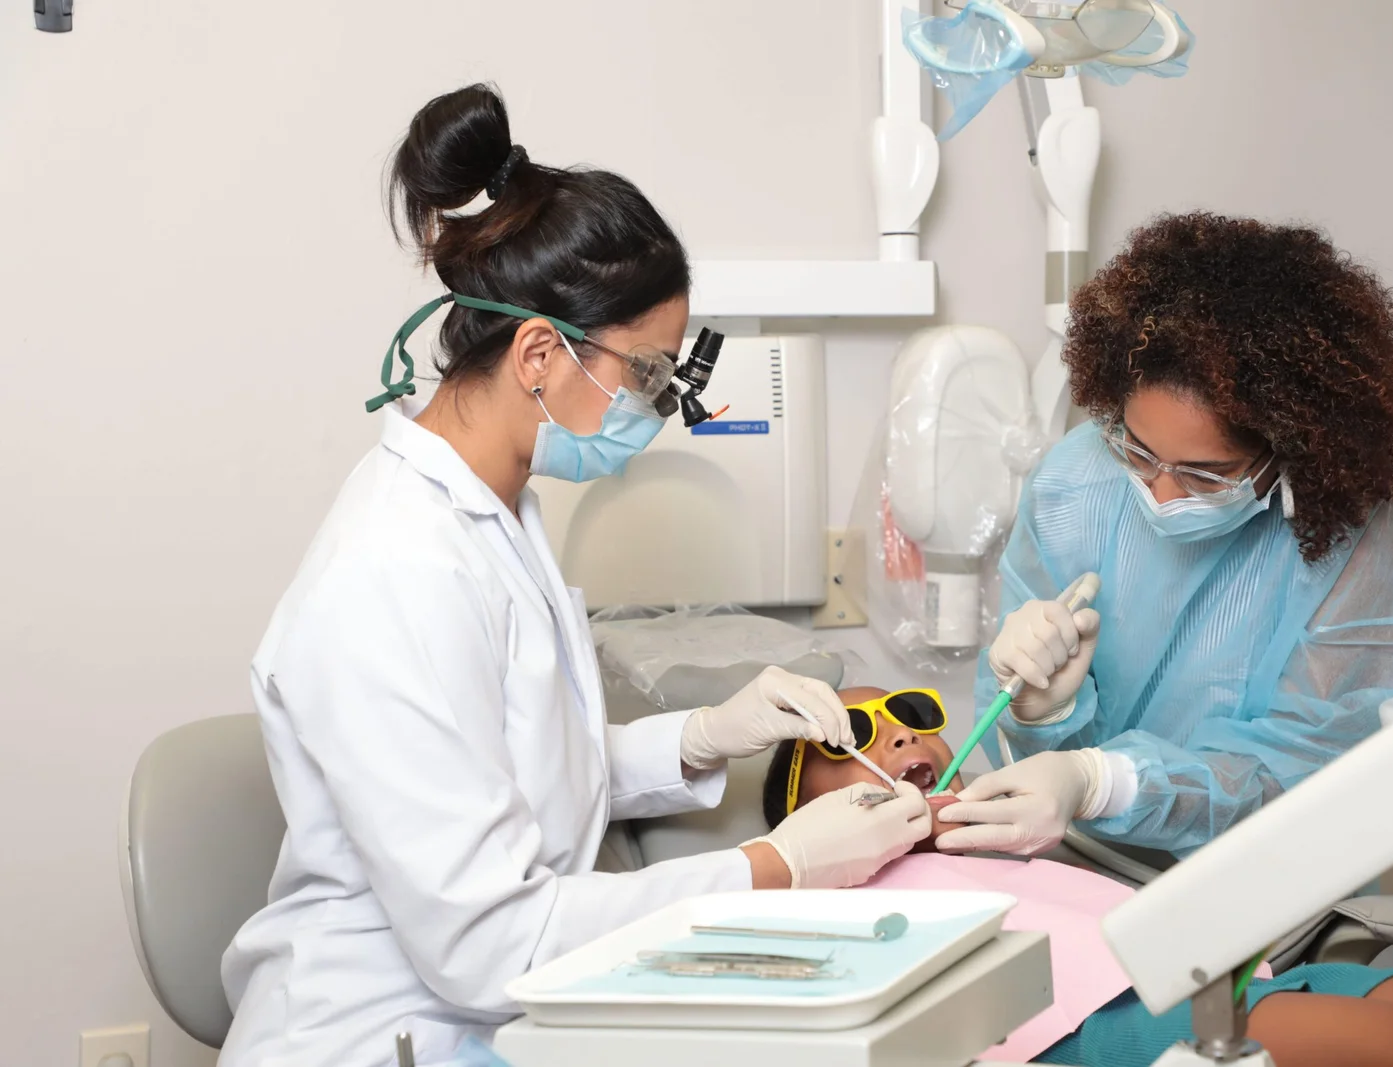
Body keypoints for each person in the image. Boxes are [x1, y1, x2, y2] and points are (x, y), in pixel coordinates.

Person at [219, 84, 930, 1067]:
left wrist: (698, 737)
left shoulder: (496, 503)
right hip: (382, 1033)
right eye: (647, 374)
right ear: (540, 354)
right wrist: (776, 865)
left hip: (484, 1013)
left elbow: (512, 769)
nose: (660, 405)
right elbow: (487, 943)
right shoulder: (392, 574)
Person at [936, 213, 1393, 859]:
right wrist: (1039, 715)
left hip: (1260, 895)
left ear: (1295, 448)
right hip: (1072, 864)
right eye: (1137, 452)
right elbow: (1026, 773)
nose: (1160, 495)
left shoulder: (1364, 520)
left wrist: (1102, 781)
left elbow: (1309, 767)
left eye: (1205, 473)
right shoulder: (1074, 482)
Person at [764, 688, 1393, 1067]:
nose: (898, 741)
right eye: (849, 737)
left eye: (909, 717)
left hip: (1239, 979)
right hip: (1128, 1031)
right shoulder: (807, 898)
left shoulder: (1017, 841)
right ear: (798, 818)